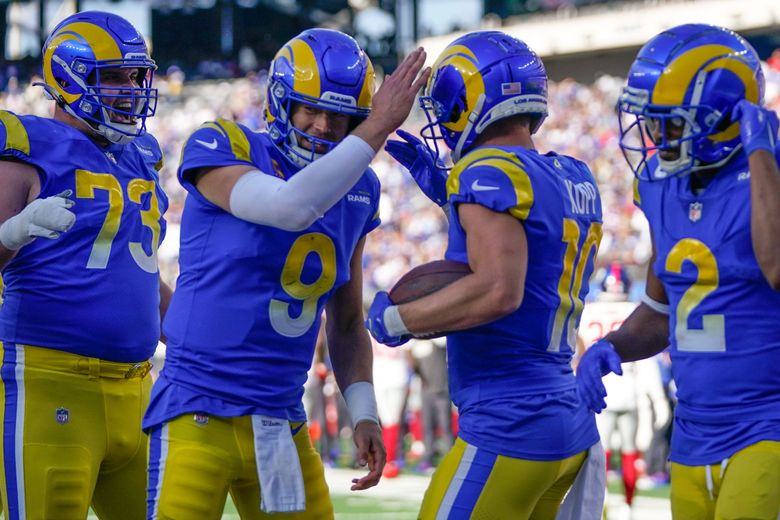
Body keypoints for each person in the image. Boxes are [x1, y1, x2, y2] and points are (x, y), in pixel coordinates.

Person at [142, 29, 429, 519]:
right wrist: (376, 127)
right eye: (309, 109)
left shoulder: (359, 188)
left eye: (338, 117)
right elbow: (289, 206)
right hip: (197, 409)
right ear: (280, 103)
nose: (321, 126)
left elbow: (343, 321)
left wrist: (364, 413)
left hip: (279, 419)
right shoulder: (225, 143)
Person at [367, 31, 606, 519]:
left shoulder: (488, 171)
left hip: (510, 421)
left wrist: (399, 320)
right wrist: (449, 193)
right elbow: (532, 240)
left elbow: (499, 290)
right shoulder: (572, 173)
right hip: (564, 415)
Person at [576, 23, 780, 520]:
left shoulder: (768, 175)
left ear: (723, 119)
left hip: (766, 429)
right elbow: (659, 311)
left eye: (670, 123)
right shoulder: (664, 191)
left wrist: (761, 156)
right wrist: (613, 346)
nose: (655, 137)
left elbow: (776, 266)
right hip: (692, 438)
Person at [0, 11, 170, 520]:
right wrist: (14, 231)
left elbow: (138, 276)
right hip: (51, 381)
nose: (129, 89)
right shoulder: (26, 143)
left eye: (135, 76)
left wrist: (202, 338)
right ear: (69, 77)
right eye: (112, 76)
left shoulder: (140, 155)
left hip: (139, 389)